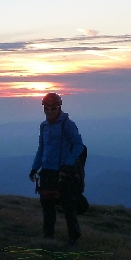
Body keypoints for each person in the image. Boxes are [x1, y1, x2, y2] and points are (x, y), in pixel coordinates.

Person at [28, 93, 85, 243]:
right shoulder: (43, 126)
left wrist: (69, 164)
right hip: (46, 171)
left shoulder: (68, 124)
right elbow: (41, 148)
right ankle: (48, 235)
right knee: (47, 205)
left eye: (53, 108)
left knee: (68, 206)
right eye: (47, 108)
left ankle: (73, 238)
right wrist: (35, 168)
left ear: (59, 107)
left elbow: (78, 145)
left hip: (63, 172)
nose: (50, 111)